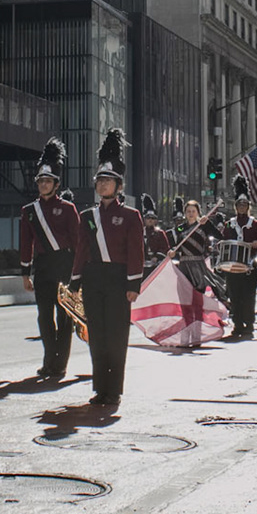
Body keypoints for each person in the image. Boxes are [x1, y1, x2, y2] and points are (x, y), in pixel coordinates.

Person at [68, 129, 144, 407]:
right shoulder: (87, 215)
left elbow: (136, 252)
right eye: (99, 180)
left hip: (118, 280)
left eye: (107, 181)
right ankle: (100, 388)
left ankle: (114, 390)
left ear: (119, 186)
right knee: (97, 336)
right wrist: (75, 280)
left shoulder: (131, 216)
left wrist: (133, 284)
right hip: (93, 278)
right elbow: (81, 250)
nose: (102, 185)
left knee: (116, 336)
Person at [18, 137, 79, 381]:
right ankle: (49, 359)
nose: (43, 184)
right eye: (41, 181)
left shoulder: (67, 208)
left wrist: (79, 273)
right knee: (44, 316)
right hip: (43, 267)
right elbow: (26, 244)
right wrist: (25, 273)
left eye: (48, 181)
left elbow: (78, 242)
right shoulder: (29, 211)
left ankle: (60, 364)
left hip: (64, 265)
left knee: (64, 317)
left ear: (56, 184)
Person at [218, 177, 257, 340]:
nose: (241, 207)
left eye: (244, 205)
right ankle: (237, 324)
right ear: (236, 206)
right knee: (235, 296)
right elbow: (223, 241)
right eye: (239, 205)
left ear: (248, 207)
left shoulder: (256, 224)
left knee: (248, 297)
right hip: (232, 267)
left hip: (249, 266)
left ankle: (249, 325)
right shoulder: (229, 224)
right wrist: (220, 244)